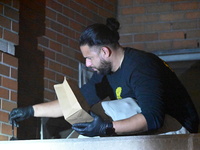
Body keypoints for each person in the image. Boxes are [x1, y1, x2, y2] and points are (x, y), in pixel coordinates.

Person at [9, 18, 199, 137]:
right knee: (89, 116)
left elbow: (153, 118)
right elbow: (74, 104)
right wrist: (30, 111)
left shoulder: (140, 67)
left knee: (104, 111)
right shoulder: (104, 75)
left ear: (105, 52)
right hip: (154, 126)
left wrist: (106, 128)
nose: (88, 65)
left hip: (181, 129)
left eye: (89, 58)